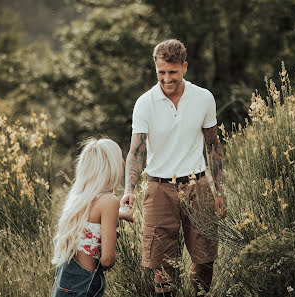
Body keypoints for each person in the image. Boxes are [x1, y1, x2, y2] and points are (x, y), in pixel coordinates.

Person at [121, 39, 226, 297]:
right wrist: (129, 190)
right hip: (159, 189)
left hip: (197, 186)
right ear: (156, 68)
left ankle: (198, 293)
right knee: (162, 264)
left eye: (173, 72)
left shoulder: (204, 98)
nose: (166, 79)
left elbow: (213, 146)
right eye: (161, 72)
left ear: (184, 68)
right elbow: (137, 150)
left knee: (205, 258)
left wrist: (220, 191)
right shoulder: (144, 103)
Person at [51, 138, 134, 297]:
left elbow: (92, 220)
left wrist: (121, 214)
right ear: (112, 166)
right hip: (85, 287)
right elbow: (107, 261)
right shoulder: (110, 201)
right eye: (120, 158)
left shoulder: (79, 199)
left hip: (64, 285)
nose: (123, 162)